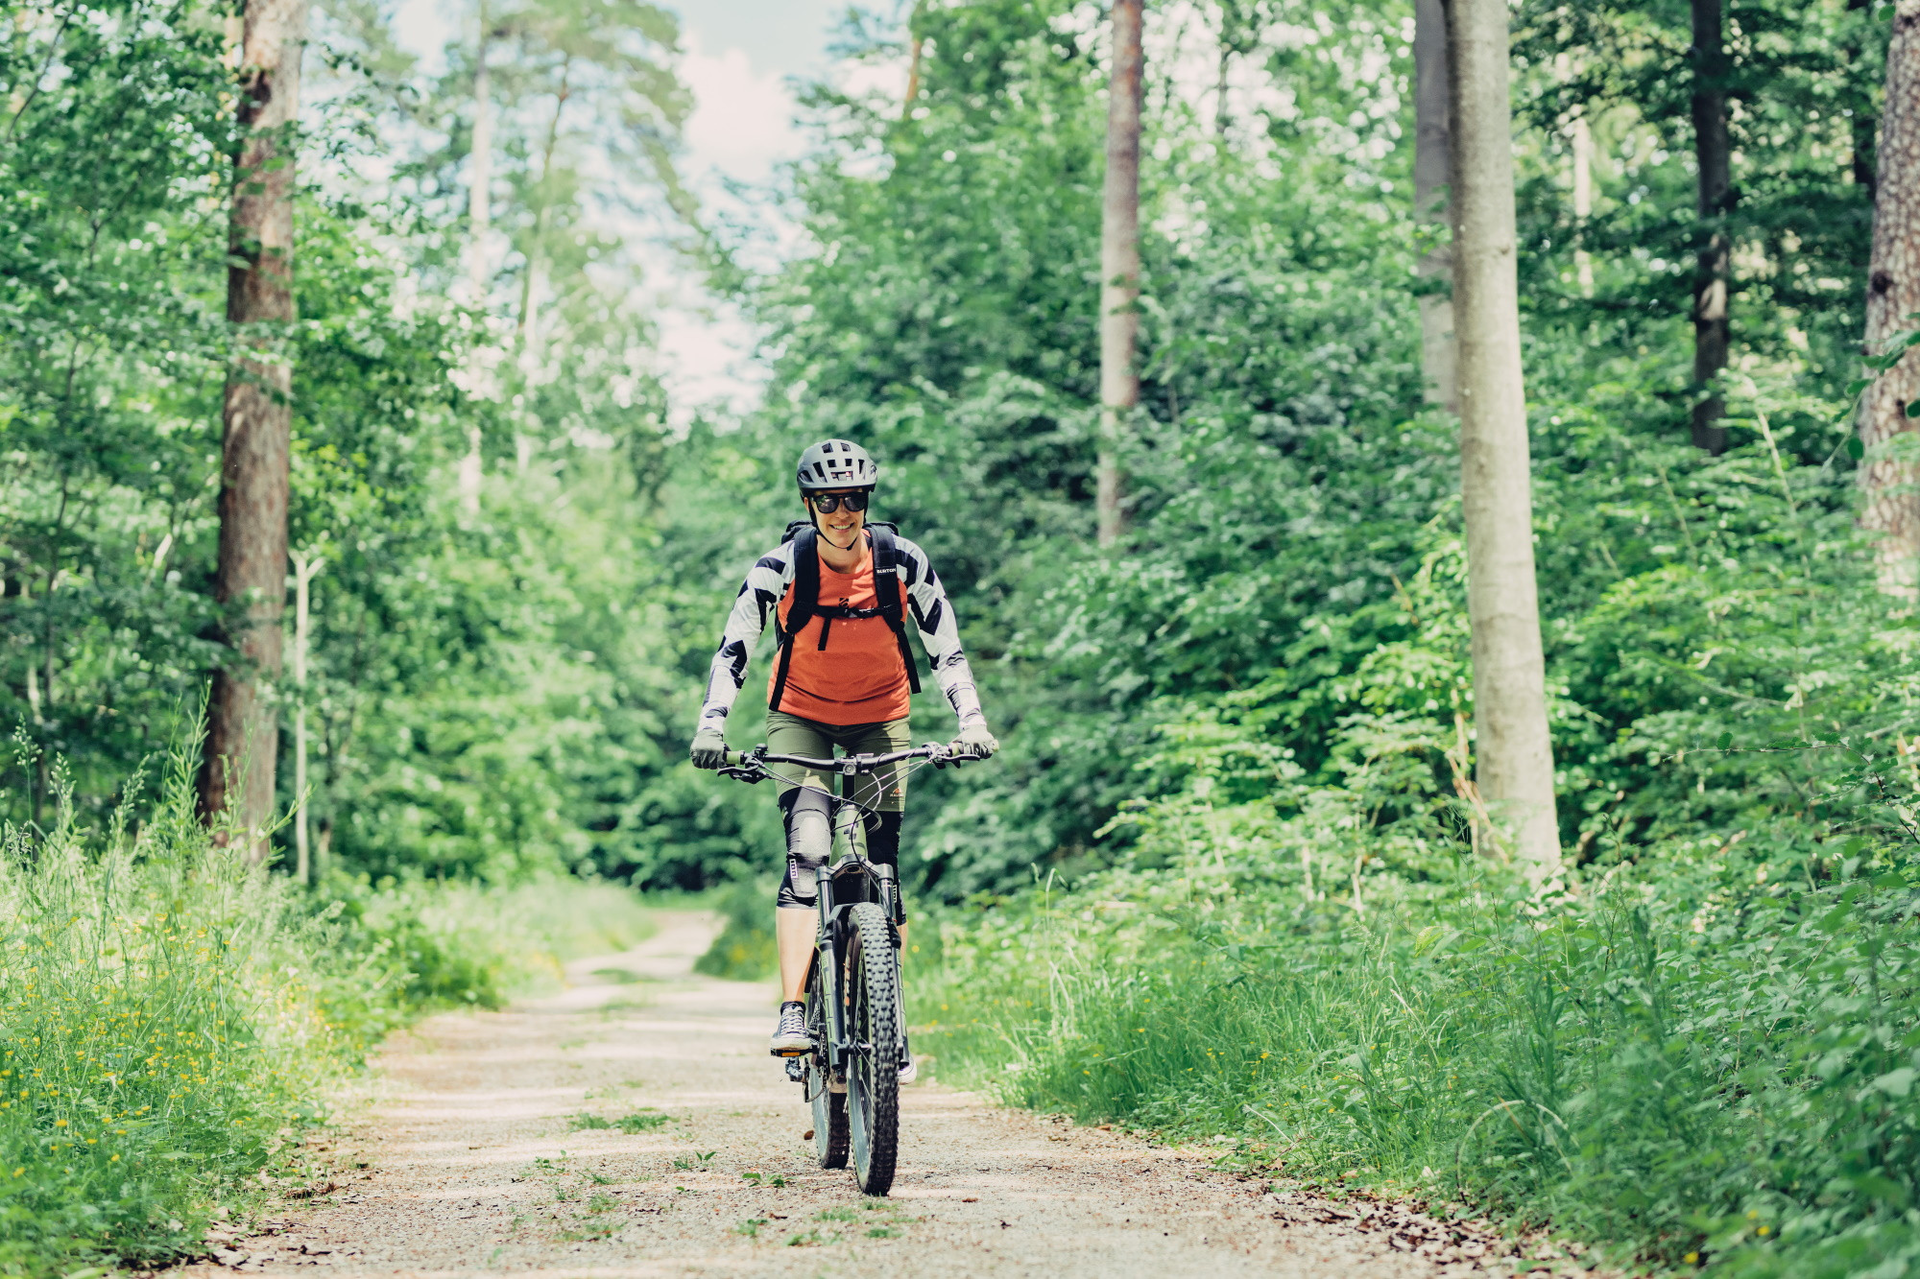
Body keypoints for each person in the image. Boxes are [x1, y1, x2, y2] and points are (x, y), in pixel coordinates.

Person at [689, 439, 997, 1079]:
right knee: (808, 851)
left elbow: (946, 648)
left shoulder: (901, 561)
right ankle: (793, 1011)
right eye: (828, 501)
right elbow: (734, 650)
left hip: (882, 717)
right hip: (800, 716)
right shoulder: (780, 567)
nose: (841, 512)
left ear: (866, 501)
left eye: (853, 499)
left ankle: (891, 1021)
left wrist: (971, 720)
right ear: (809, 504)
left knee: (884, 863)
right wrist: (711, 726)